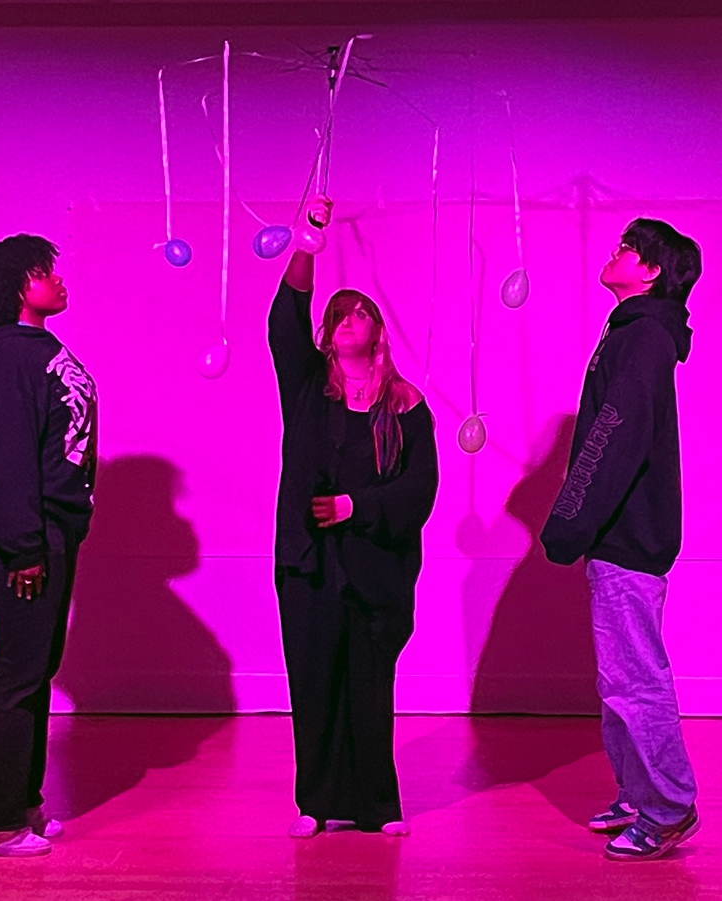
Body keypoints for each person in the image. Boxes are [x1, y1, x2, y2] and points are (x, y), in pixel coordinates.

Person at [268, 197, 439, 838]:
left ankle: (377, 805)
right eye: (337, 315)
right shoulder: (310, 386)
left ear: (377, 329)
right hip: (310, 564)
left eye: (359, 312)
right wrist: (308, 243)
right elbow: (284, 322)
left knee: (370, 686)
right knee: (313, 681)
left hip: (376, 569)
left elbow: (421, 489)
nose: (346, 321)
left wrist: (356, 507)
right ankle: (315, 804)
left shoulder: (407, 404)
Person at [540, 218, 702, 861]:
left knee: (635, 679)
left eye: (629, 249)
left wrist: (568, 523)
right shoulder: (633, 334)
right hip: (619, 538)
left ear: (653, 272)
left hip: (627, 539)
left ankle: (668, 807)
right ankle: (639, 792)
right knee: (619, 682)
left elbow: (614, 436)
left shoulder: (643, 341)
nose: (616, 252)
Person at [0, 234, 97, 857]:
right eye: (46, 272)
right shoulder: (8, 357)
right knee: (16, 670)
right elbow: (7, 460)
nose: (58, 280)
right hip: (26, 535)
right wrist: (25, 547)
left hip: (47, 530)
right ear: (19, 286)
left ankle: (23, 801)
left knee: (35, 667)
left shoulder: (32, 351)